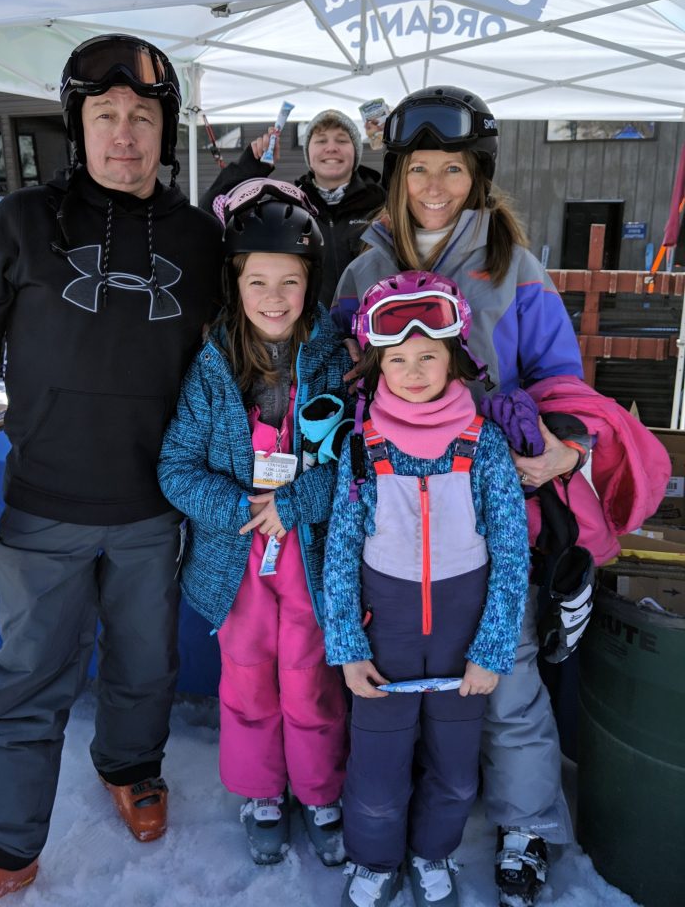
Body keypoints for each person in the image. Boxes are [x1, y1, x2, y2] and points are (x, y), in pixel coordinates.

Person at [0, 34, 223, 907]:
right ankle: (0, 847)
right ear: (77, 125)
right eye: (105, 116)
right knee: (27, 683)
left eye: (141, 117)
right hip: (44, 507)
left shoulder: (203, 240)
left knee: (143, 665)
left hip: (154, 507)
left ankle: (132, 767)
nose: (123, 135)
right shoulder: (19, 224)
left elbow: (244, 358)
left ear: (165, 130)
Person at [330, 86, 587, 907]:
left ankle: (525, 825)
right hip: (393, 502)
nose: (435, 186)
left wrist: (560, 451)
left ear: (478, 176)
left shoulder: (514, 265)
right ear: (398, 174)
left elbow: (563, 380)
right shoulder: (367, 266)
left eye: (454, 169)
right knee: (396, 678)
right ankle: (386, 832)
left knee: (504, 672)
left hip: (488, 498)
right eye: (419, 169)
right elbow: (336, 377)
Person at [157, 179, 351, 868]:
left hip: (309, 556)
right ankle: (263, 790)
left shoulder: (334, 361)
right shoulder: (212, 370)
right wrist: (239, 508)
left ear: (311, 282)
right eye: (258, 281)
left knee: (309, 677)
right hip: (238, 562)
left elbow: (353, 465)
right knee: (246, 678)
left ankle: (321, 790)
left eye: (290, 282)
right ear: (235, 284)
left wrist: (294, 504)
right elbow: (176, 468)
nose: (274, 298)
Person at [324, 270, 530, 907]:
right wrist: (346, 646)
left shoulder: (483, 444)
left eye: (429, 357)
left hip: (461, 640)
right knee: (377, 771)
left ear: (455, 360)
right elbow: (339, 549)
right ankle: (375, 859)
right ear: (378, 366)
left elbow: (511, 551)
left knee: (455, 769)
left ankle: (432, 851)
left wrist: (492, 649)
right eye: (398, 359)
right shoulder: (363, 443)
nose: (413, 371)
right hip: (383, 635)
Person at [199, 108, 385, 305]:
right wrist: (250, 167)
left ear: (356, 151)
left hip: (373, 326)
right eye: (321, 140)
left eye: (342, 140)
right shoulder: (290, 206)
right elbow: (208, 217)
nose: (331, 148)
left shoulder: (381, 203)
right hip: (310, 330)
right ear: (308, 152)